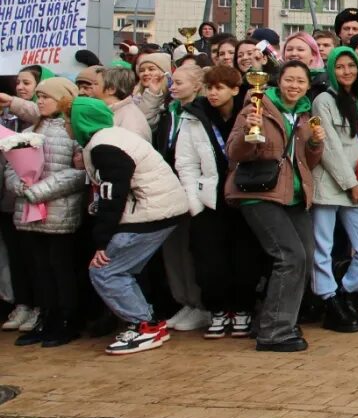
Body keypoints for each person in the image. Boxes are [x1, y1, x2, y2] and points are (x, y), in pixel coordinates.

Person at [70, 98, 189, 355]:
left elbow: (113, 195)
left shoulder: (105, 147)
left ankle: (145, 326)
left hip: (149, 214)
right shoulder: (111, 138)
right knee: (121, 270)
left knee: (106, 271)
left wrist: (101, 240)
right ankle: (146, 323)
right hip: (157, 209)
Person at [225, 60, 324, 353]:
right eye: (289, 80)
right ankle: (274, 332)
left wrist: (317, 145)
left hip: (293, 196)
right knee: (289, 256)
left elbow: (309, 162)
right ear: (278, 81)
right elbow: (233, 152)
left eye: (301, 82)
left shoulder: (306, 115)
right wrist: (247, 133)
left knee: (304, 256)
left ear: (308, 86)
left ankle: (282, 320)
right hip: (259, 193)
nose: (294, 86)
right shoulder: (256, 107)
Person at [2, 77, 85, 347]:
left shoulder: (74, 131)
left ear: (62, 99)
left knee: (60, 268)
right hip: (29, 210)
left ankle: (66, 321)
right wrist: (19, 183)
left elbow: (78, 174)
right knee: (39, 269)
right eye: (38, 97)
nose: (40, 101)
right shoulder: (31, 128)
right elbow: (11, 166)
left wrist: (39, 190)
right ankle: (46, 318)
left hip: (58, 211)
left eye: (45, 97)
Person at [178, 64, 258, 339]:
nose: (213, 93)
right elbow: (186, 162)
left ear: (235, 90)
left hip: (244, 196)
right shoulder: (194, 117)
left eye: (220, 88)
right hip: (209, 200)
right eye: (209, 87)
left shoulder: (249, 112)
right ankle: (218, 310)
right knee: (210, 262)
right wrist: (194, 203)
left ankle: (242, 309)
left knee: (245, 260)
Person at [309, 46, 358, 333]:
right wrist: (350, 184)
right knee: (322, 246)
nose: (347, 71)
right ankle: (328, 300)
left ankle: (345, 292)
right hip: (331, 184)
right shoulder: (324, 100)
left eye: (351, 65)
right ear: (331, 70)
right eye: (339, 67)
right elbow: (329, 147)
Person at [151, 63, 210, 334]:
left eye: (179, 82)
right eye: (172, 82)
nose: (172, 87)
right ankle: (184, 300)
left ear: (197, 86)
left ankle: (201, 304)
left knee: (191, 250)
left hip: (193, 189)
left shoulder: (200, 112)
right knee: (173, 250)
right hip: (168, 189)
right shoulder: (169, 112)